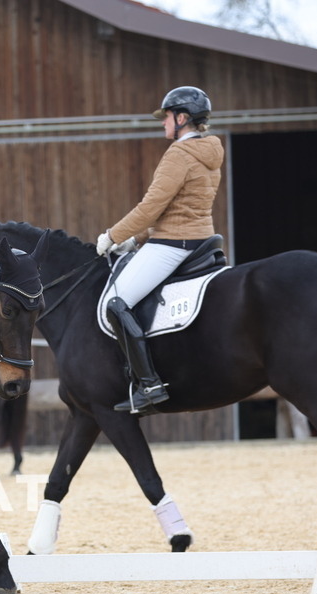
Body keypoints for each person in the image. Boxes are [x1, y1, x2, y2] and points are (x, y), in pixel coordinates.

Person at [96, 86, 224, 414]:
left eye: (166, 117)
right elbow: (178, 208)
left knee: (115, 303)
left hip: (174, 243)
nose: (163, 123)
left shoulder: (179, 154)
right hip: (199, 238)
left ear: (182, 118)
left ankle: (149, 385)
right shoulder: (209, 151)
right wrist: (137, 239)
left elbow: (152, 206)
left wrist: (113, 235)